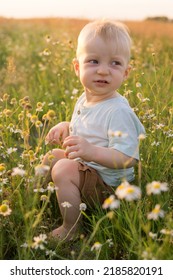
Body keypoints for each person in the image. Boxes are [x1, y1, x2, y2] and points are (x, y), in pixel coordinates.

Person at [43, 19, 145, 240]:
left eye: (115, 63)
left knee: (62, 169)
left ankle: (71, 228)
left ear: (126, 73)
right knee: (52, 157)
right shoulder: (86, 98)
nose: (103, 70)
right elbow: (88, 129)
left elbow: (128, 158)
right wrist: (66, 126)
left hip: (110, 186)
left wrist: (90, 152)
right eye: (93, 61)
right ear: (78, 67)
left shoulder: (118, 111)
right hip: (90, 168)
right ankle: (35, 197)